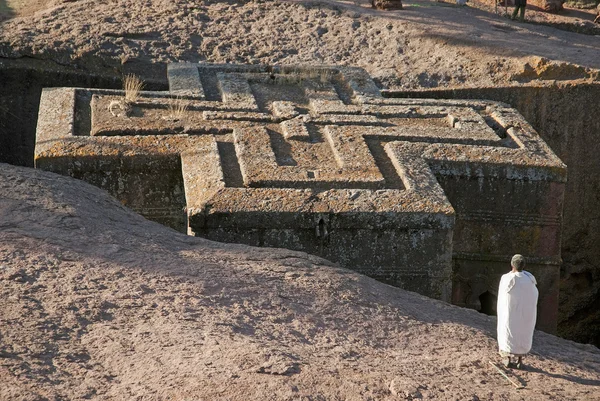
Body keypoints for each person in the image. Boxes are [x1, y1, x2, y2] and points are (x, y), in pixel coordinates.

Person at [496, 254, 538, 369]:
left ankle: (508, 359)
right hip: (526, 315)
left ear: (512, 265)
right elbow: (534, 296)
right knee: (523, 332)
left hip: (510, 314)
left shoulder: (507, 278)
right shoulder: (530, 279)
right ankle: (520, 360)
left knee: (509, 332)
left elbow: (503, 298)